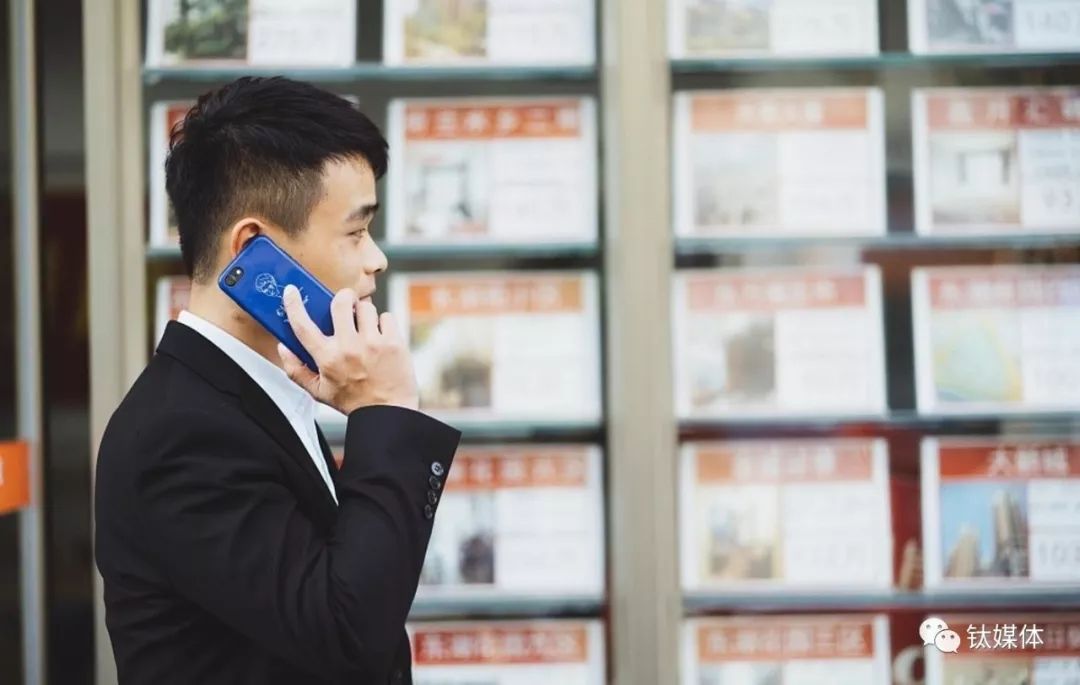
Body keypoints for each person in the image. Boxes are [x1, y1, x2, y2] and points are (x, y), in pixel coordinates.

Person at [94, 76, 461, 685]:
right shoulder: (180, 435)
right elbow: (347, 633)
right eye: (355, 231)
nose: (376, 259)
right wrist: (387, 410)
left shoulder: (247, 395)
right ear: (254, 249)